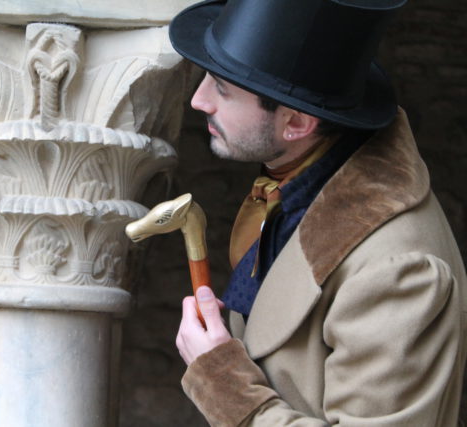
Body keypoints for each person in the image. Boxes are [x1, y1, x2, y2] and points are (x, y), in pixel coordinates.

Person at [168, 0, 467, 425]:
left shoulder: (398, 271)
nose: (199, 100)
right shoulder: (301, 178)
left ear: (296, 124)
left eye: (222, 87)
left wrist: (221, 380)